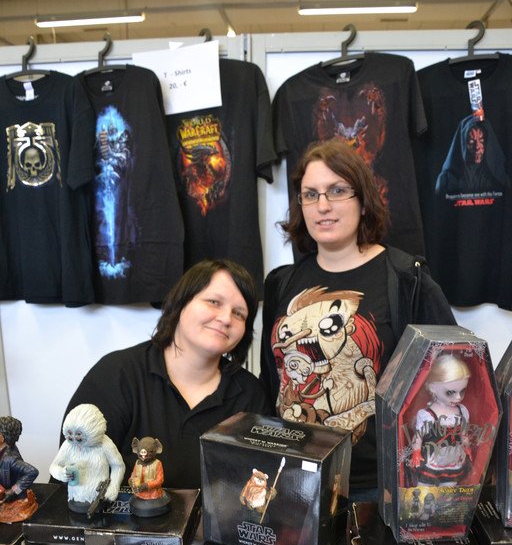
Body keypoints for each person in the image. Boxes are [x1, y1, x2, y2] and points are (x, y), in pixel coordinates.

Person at [260, 138, 455, 500]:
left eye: (337, 191)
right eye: (310, 194)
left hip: (380, 487)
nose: (323, 205)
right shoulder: (281, 283)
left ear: (363, 201)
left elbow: (452, 377)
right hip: (297, 479)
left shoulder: (406, 279)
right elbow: (270, 379)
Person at [61, 259, 271, 489]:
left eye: (239, 313)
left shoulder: (252, 395)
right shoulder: (115, 375)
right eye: (214, 302)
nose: (226, 318)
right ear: (180, 302)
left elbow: (259, 488)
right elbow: (73, 478)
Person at [409, 354, 472, 487]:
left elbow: (463, 433)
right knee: (425, 485)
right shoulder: (428, 415)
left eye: (462, 391)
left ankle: (445, 500)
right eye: (451, 392)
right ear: (433, 387)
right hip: (433, 457)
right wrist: (416, 452)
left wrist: (467, 448)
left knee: (449, 485)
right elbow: (418, 437)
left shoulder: (461, 411)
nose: (458, 397)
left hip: (453, 458)